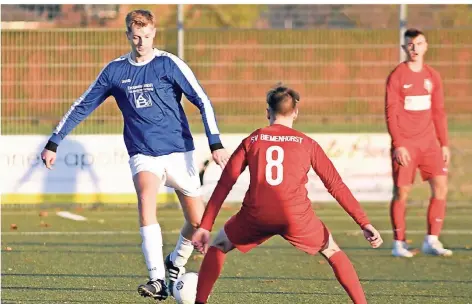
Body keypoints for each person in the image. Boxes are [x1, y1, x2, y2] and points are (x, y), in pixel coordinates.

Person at [40, 9, 229, 301]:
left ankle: (175, 261)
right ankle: (156, 279)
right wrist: (55, 141)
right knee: (146, 197)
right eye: (136, 36)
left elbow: (202, 100)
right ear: (128, 34)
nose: (141, 42)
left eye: (147, 36)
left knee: (198, 222)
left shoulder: (169, 64)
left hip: (180, 153)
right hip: (143, 153)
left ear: (154, 34)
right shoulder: (115, 71)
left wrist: (215, 143)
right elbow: (83, 105)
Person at [192, 85, 383, 304]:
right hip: (295, 216)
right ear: (295, 113)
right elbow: (336, 186)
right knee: (332, 250)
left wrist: (205, 226)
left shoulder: (253, 140)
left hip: (256, 215)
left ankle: (200, 302)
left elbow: (226, 182)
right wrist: (364, 222)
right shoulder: (307, 143)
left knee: (219, 246)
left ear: (267, 112)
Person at [385, 28, 452, 258]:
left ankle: (431, 240)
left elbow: (439, 112)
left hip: (429, 144)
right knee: (402, 192)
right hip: (406, 144)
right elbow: (391, 112)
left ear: (426, 46)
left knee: (441, 186)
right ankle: (399, 243)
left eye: (419, 44)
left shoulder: (432, 76)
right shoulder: (397, 76)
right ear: (404, 48)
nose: (414, 48)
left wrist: (444, 143)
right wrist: (398, 143)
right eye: (410, 45)